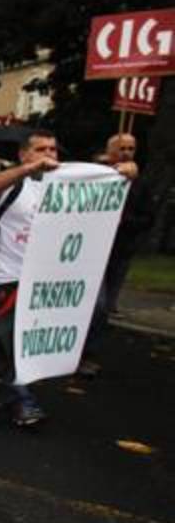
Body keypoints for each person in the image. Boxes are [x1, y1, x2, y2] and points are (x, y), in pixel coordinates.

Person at [0, 129, 137, 426]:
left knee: (13, 342)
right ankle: (23, 402)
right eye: (40, 149)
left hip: (47, 280)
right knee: (13, 340)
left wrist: (127, 172)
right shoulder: (14, 185)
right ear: (24, 154)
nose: (49, 154)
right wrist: (28, 170)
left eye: (53, 149)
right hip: (8, 277)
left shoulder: (66, 187)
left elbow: (109, 193)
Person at [79, 133, 156, 377]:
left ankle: (87, 353)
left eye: (131, 148)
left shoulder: (139, 183)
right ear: (109, 151)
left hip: (119, 253)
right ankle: (75, 352)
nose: (126, 152)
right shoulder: (95, 174)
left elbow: (148, 218)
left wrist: (123, 221)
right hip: (91, 253)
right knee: (97, 305)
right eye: (121, 148)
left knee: (105, 308)